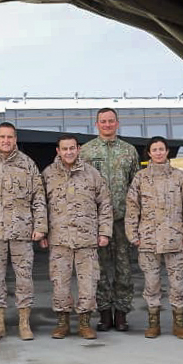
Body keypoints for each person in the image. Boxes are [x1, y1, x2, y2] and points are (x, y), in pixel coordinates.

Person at [0, 122, 47, 341]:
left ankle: (24, 323)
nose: (6, 141)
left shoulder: (28, 164)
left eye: (10, 137)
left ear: (15, 139)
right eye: (2, 137)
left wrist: (40, 226)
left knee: (24, 278)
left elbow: (39, 198)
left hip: (22, 232)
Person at [40, 134, 111, 340]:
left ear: (78, 149)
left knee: (88, 282)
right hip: (59, 239)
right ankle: (62, 322)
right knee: (59, 282)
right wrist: (42, 231)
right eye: (65, 149)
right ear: (58, 151)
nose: (69, 152)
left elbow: (104, 203)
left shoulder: (91, 174)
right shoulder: (49, 174)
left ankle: (84, 322)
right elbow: (40, 205)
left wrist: (104, 232)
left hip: (86, 239)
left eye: (72, 148)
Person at [125, 137, 183, 339]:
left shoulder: (179, 177)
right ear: (149, 153)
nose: (158, 153)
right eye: (154, 149)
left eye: (162, 149)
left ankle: (179, 324)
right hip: (148, 241)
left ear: (167, 152)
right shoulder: (140, 178)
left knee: (177, 285)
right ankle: (153, 324)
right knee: (151, 284)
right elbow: (132, 208)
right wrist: (133, 235)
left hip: (175, 240)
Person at [81, 108, 141, 331]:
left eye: (111, 121)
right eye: (103, 121)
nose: (107, 125)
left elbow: (136, 187)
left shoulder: (129, 151)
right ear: (96, 124)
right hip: (95, 222)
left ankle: (122, 313)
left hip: (123, 219)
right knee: (100, 269)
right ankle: (105, 313)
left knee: (124, 268)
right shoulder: (86, 152)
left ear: (117, 123)